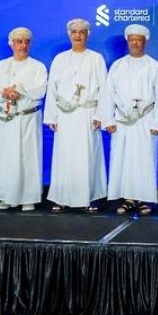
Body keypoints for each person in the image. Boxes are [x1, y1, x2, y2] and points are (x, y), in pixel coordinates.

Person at [97, 24, 158, 216]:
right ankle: (128, 198)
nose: (135, 43)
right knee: (124, 159)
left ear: (145, 41)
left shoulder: (153, 66)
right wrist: (108, 120)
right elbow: (108, 94)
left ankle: (144, 199)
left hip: (146, 120)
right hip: (122, 120)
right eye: (132, 39)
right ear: (127, 41)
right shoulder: (118, 66)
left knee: (145, 158)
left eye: (139, 40)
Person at [44, 18, 108, 213]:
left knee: (87, 157)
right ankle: (62, 198)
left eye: (82, 32)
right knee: (64, 157)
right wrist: (51, 116)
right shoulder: (60, 59)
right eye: (74, 32)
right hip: (65, 116)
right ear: (69, 34)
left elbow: (104, 89)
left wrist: (100, 115)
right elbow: (52, 89)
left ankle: (88, 198)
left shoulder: (96, 58)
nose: (78, 35)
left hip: (87, 115)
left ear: (88, 35)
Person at [0, 27, 48, 211]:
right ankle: (6, 197)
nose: (23, 45)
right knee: (5, 158)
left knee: (28, 157)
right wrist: (5, 93)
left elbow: (40, 90)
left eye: (26, 41)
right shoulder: (1, 66)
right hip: (5, 118)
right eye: (19, 41)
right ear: (11, 44)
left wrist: (19, 89)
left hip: (28, 118)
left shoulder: (37, 66)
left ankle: (28, 198)